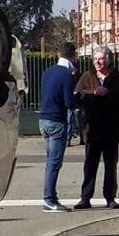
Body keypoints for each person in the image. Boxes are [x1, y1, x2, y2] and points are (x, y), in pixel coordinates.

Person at [72, 46, 119, 209]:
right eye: (95, 59)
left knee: (110, 165)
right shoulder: (86, 77)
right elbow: (77, 96)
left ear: (109, 59)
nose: (98, 62)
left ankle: (110, 197)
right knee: (90, 165)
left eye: (101, 59)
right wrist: (94, 92)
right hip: (92, 129)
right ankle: (85, 197)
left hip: (111, 129)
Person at [38, 43, 77, 212]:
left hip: (43, 119)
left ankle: (50, 196)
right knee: (54, 163)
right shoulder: (67, 74)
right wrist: (80, 96)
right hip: (57, 121)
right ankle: (49, 199)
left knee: (49, 162)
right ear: (73, 56)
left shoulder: (47, 72)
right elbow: (69, 102)